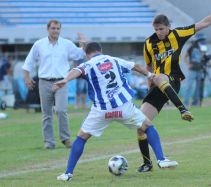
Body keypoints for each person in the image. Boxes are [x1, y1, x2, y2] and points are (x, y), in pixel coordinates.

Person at [137, 0, 211, 172]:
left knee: (160, 76)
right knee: (140, 124)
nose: (159, 32)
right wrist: (149, 87)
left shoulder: (178, 34)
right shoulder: (148, 44)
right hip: (158, 85)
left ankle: (183, 109)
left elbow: (204, 23)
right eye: (156, 29)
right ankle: (148, 163)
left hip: (173, 80)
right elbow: (148, 68)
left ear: (168, 26)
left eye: (161, 29)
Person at [55, 42, 178, 181]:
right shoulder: (113, 60)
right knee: (147, 126)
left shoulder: (88, 64)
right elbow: (135, 66)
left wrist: (65, 80)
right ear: (100, 50)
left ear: (87, 54)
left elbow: (76, 70)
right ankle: (161, 159)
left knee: (81, 138)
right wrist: (150, 75)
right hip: (123, 107)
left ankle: (67, 174)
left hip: (101, 110)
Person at [22, 20, 86, 149]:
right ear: (48, 29)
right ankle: (49, 142)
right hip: (44, 82)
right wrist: (27, 78)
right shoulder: (39, 44)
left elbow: (80, 54)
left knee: (61, 110)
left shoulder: (66, 44)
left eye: (57, 28)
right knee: (46, 114)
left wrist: (83, 44)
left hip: (61, 81)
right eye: (53, 28)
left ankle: (66, 139)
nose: (55, 30)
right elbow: (29, 62)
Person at [183, 33, 211, 106]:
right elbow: (185, 57)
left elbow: (206, 57)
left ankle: (195, 103)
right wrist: (187, 65)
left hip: (200, 69)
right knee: (189, 86)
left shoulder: (203, 48)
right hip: (192, 70)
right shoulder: (191, 47)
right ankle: (185, 103)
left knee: (198, 87)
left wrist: (209, 63)